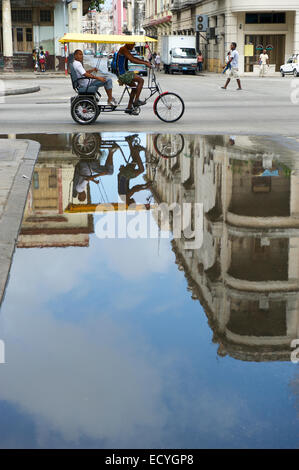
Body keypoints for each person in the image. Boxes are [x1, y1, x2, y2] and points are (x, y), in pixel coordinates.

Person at [115, 43, 152, 115]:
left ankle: (129, 107)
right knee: (141, 80)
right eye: (132, 45)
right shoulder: (123, 49)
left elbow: (134, 58)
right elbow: (132, 60)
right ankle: (136, 101)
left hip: (123, 73)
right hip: (123, 74)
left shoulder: (126, 50)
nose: (133, 46)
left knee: (134, 88)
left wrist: (145, 62)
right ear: (128, 44)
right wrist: (144, 64)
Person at [118, 134, 152, 206]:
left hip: (124, 175)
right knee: (135, 160)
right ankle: (129, 141)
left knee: (141, 170)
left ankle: (136, 150)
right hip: (123, 174)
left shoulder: (125, 198)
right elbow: (136, 188)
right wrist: (144, 186)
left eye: (134, 203)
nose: (135, 201)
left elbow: (134, 189)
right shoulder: (125, 198)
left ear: (130, 203)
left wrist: (145, 186)